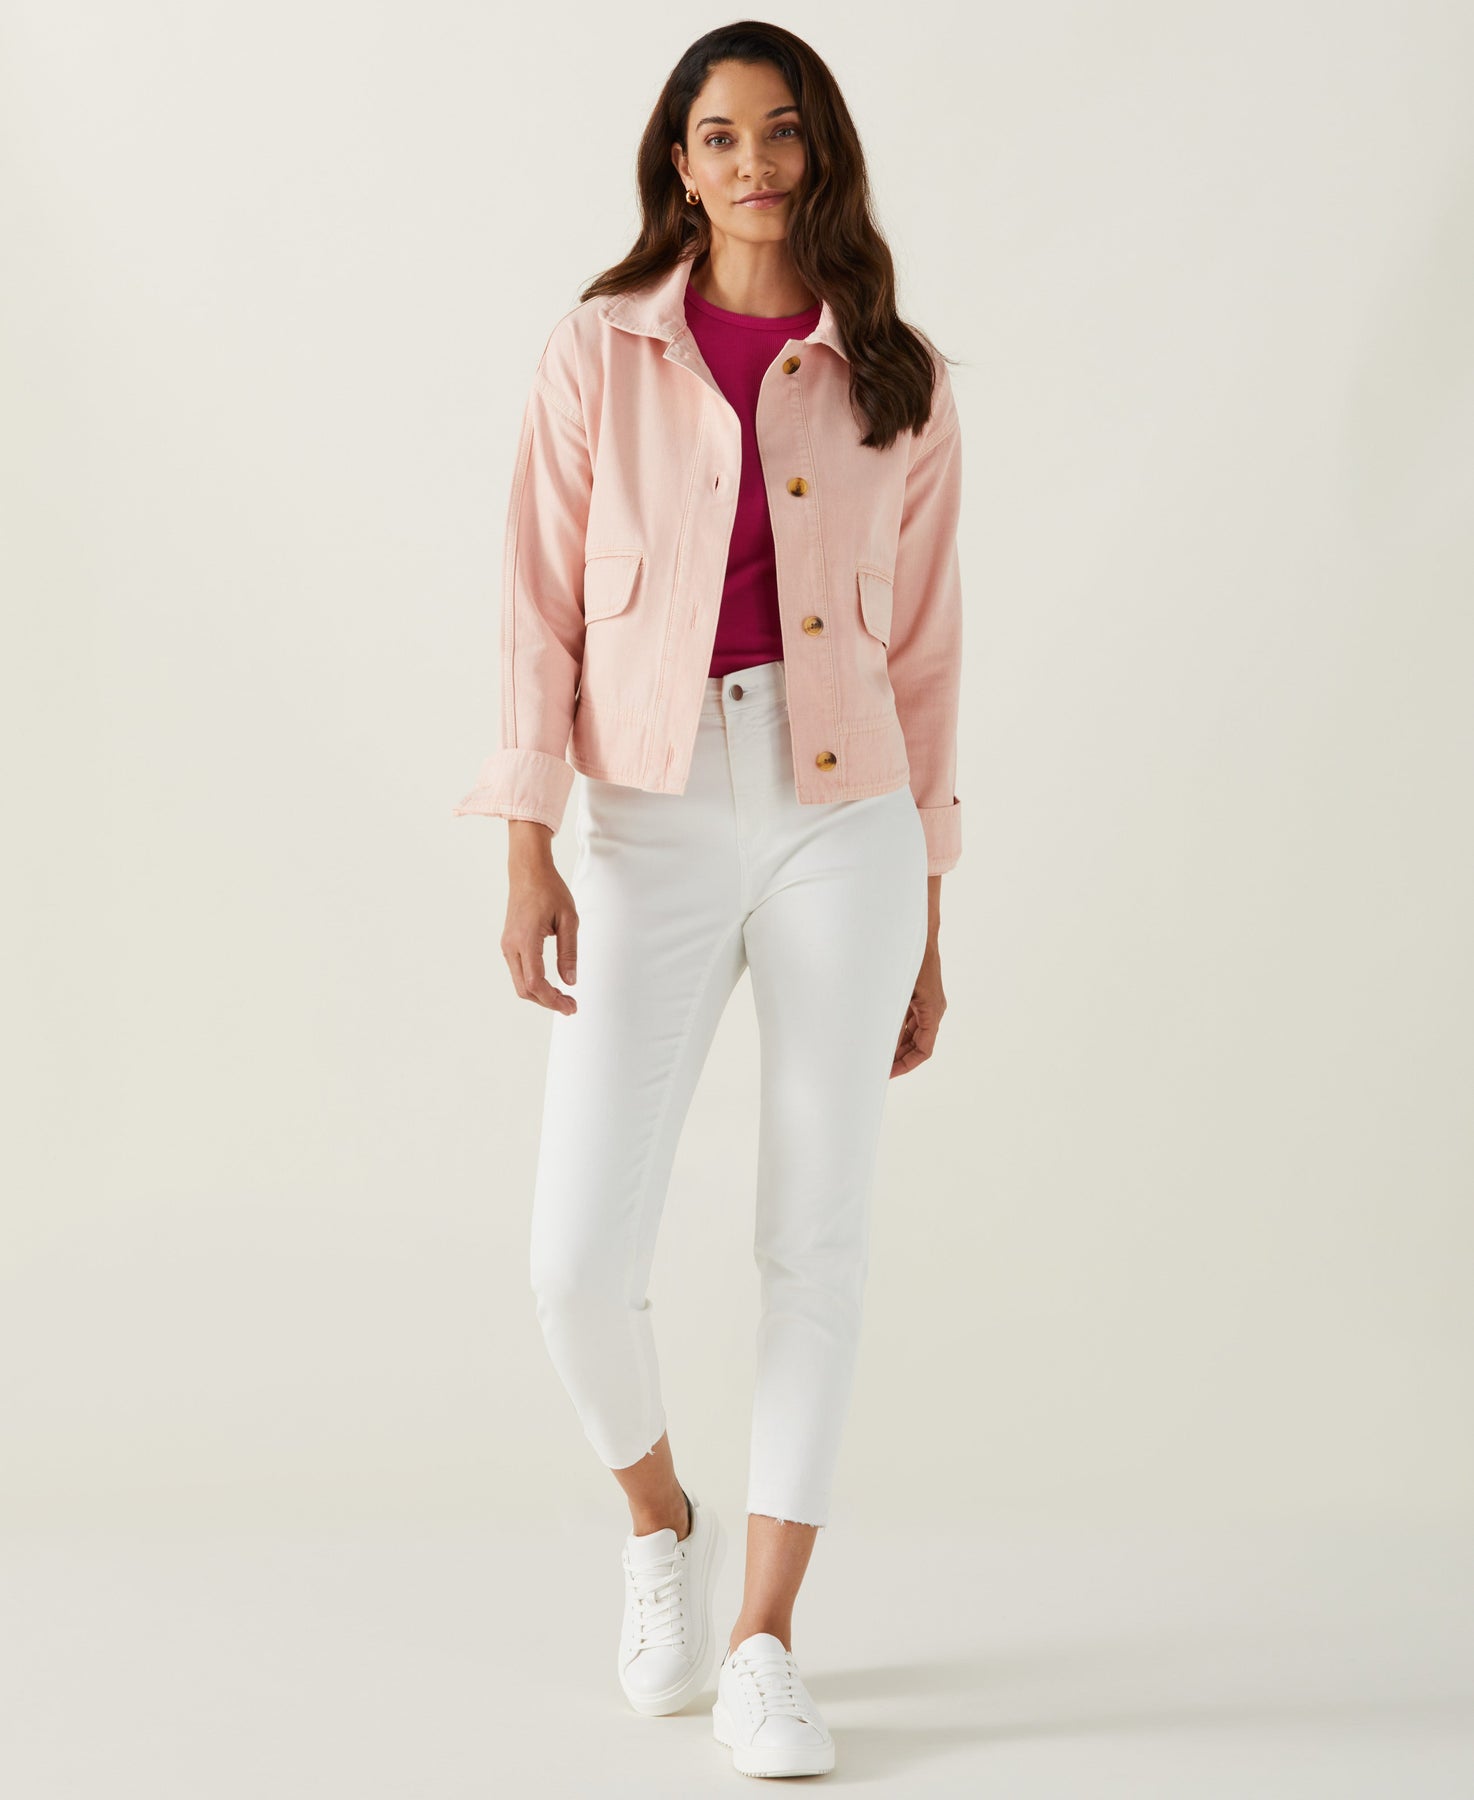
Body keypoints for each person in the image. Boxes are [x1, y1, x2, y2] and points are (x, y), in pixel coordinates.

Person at [453, 22, 964, 1782]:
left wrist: (932, 911)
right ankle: (657, 1520)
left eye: (781, 130)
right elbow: (534, 603)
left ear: (820, 153)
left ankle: (763, 1642)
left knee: (813, 1239)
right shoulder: (597, 349)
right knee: (575, 1259)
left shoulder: (895, 374)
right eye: (719, 134)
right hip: (650, 814)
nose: (753, 161)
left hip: (847, 820)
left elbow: (926, 655)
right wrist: (526, 839)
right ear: (677, 164)